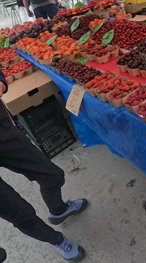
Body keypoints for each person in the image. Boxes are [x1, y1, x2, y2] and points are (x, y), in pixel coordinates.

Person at [0, 72, 88, 262]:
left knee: (52, 175)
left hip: (2, 133)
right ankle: (57, 241)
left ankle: (58, 210)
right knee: (19, 213)